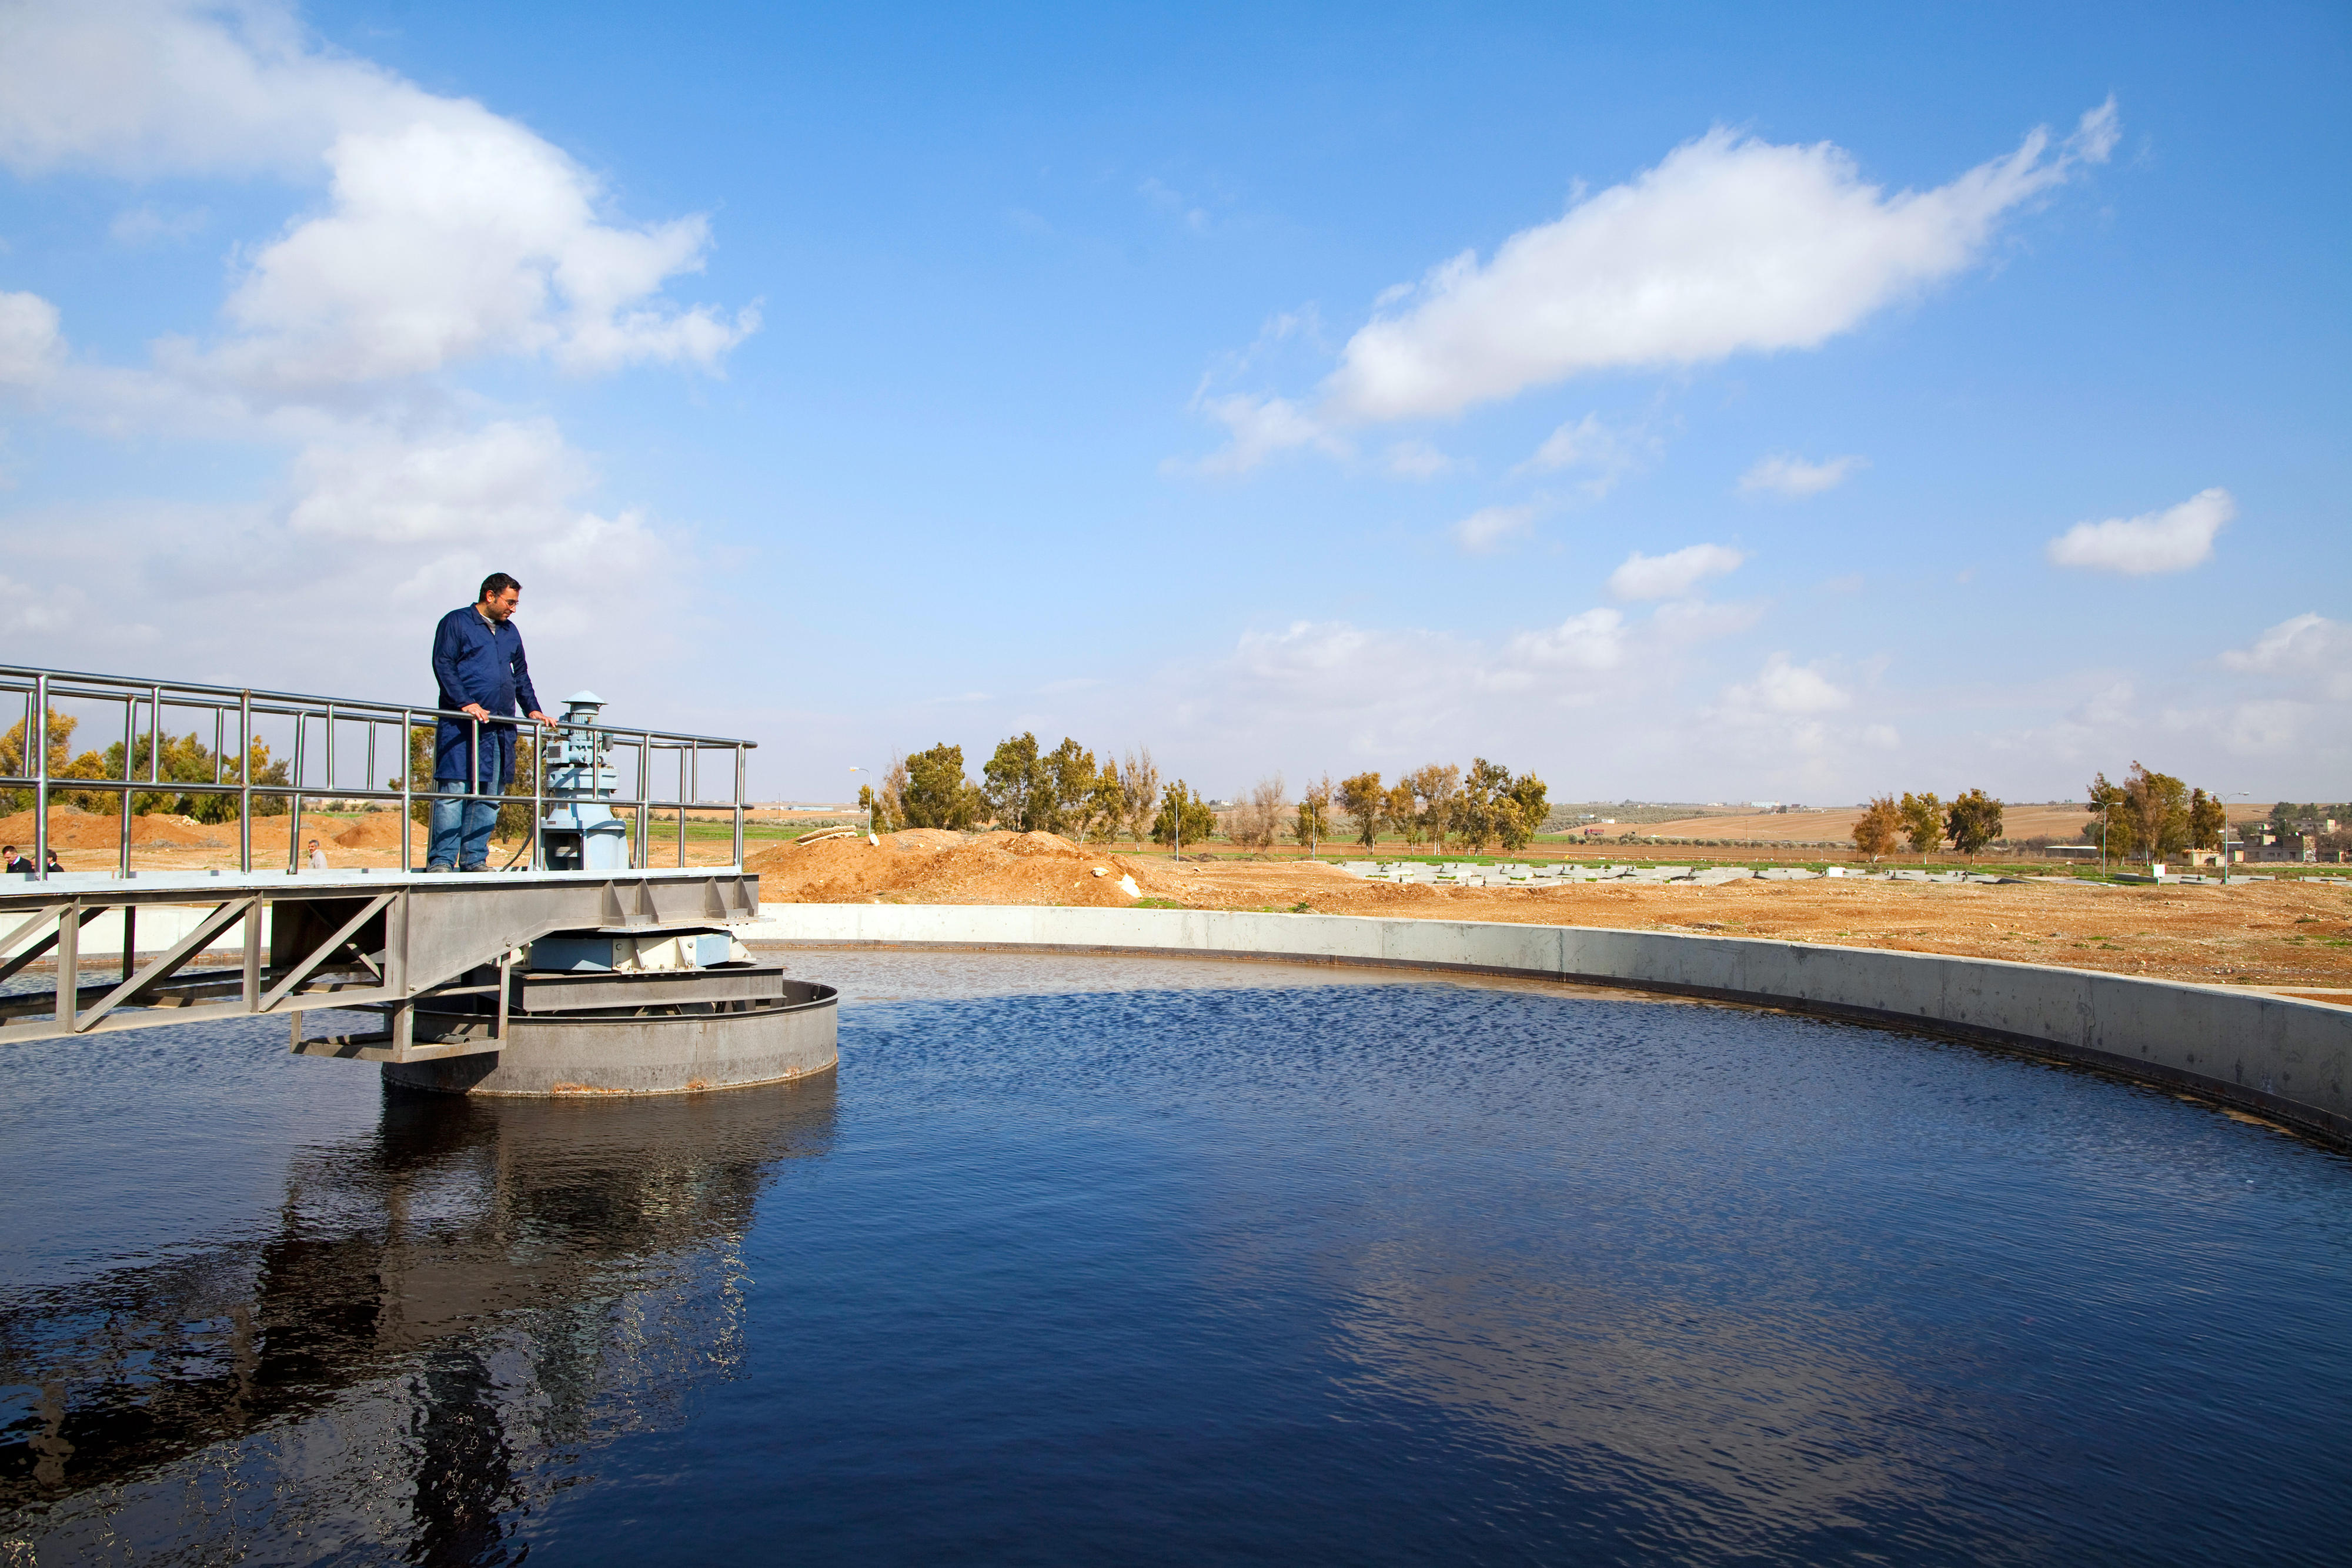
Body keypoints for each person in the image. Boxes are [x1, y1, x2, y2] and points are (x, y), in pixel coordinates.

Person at [427, 572, 552, 872]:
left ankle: (474, 860)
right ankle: (442, 861)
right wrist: (465, 703)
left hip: (499, 726)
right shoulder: (457, 622)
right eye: (510, 602)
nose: (513, 608)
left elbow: (520, 675)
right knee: (453, 794)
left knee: (490, 796)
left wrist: (532, 710)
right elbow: (443, 664)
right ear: (490, 596)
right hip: (461, 725)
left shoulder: (510, 632)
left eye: (516, 603)